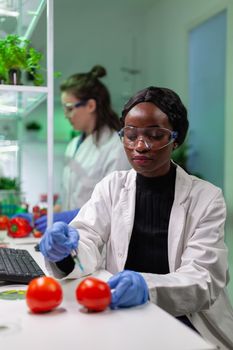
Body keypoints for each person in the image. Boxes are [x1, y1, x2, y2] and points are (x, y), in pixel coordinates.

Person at [39, 86, 233, 350]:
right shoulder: (112, 186)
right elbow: (87, 238)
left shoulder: (206, 198)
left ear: (175, 139)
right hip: (122, 307)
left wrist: (147, 287)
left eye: (154, 135)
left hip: (185, 319)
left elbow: (204, 278)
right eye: (130, 135)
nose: (140, 146)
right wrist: (66, 251)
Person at [22, 65, 130, 232]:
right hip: (71, 236)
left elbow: (112, 205)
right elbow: (68, 195)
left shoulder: (115, 147)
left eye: (69, 108)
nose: (65, 114)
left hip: (98, 239)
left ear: (90, 106)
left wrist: (69, 217)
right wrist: (45, 215)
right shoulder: (73, 145)